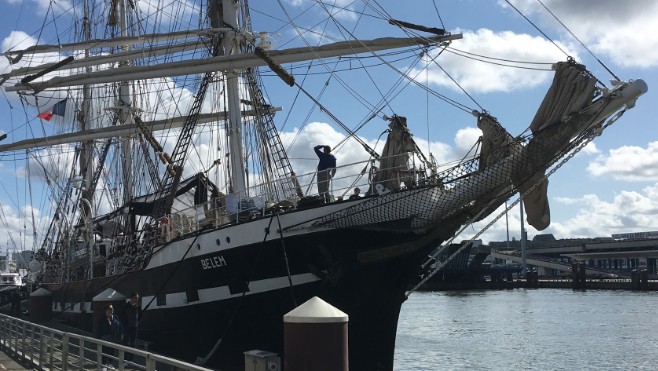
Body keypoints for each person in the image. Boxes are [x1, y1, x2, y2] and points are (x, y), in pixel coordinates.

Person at [123, 292, 142, 360]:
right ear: (132, 298)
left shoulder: (138, 307)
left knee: (133, 344)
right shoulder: (126, 307)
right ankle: (125, 359)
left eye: (137, 298)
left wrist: (137, 322)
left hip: (134, 327)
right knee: (126, 343)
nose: (137, 299)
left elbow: (140, 316)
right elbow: (123, 317)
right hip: (127, 327)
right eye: (136, 298)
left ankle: (130, 359)